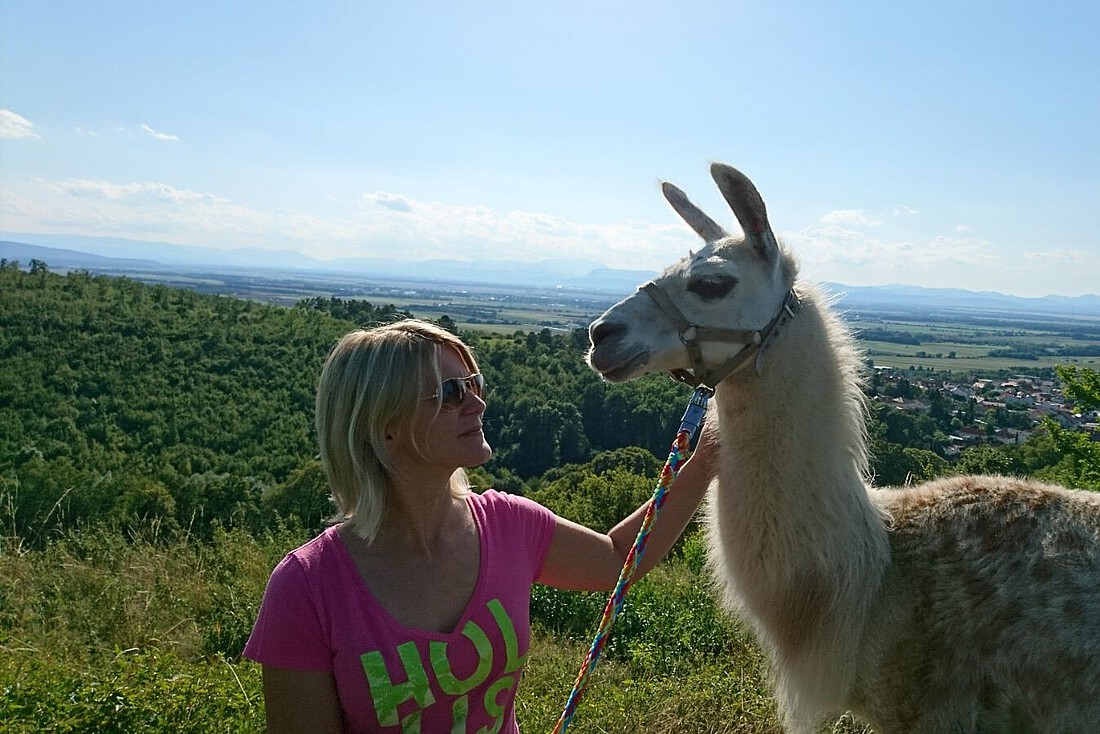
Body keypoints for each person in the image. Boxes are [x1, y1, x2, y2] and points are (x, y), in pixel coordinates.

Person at [244, 319, 715, 733]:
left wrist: (705, 458)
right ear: (384, 424)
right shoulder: (306, 588)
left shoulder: (508, 524)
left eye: (474, 384)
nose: (476, 404)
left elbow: (616, 559)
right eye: (450, 394)